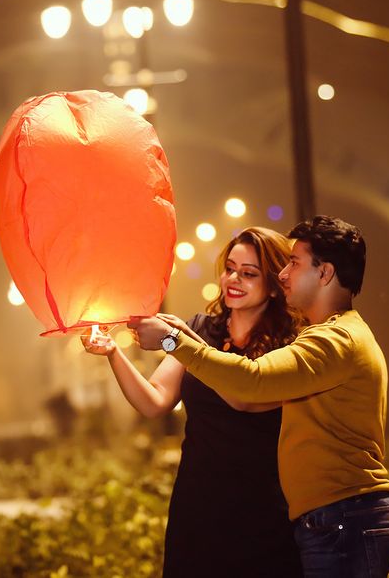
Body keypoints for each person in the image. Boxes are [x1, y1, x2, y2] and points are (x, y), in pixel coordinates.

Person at [129, 215, 389, 578]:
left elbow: (251, 383)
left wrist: (173, 341)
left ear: (325, 274)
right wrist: (186, 339)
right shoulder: (329, 336)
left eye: (294, 263)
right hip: (332, 517)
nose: (284, 274)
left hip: (341, 517)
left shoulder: (334, 341)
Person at [83, 227, 302, 577]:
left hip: (263, 506)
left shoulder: (288, 344)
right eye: (230, 268)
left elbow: (244, 397)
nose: (233, 279)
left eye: (248, 274)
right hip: (199, 500)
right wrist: (113, 352)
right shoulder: (202, 329)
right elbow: (155, 401)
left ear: (275, 285)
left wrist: (177, 340)